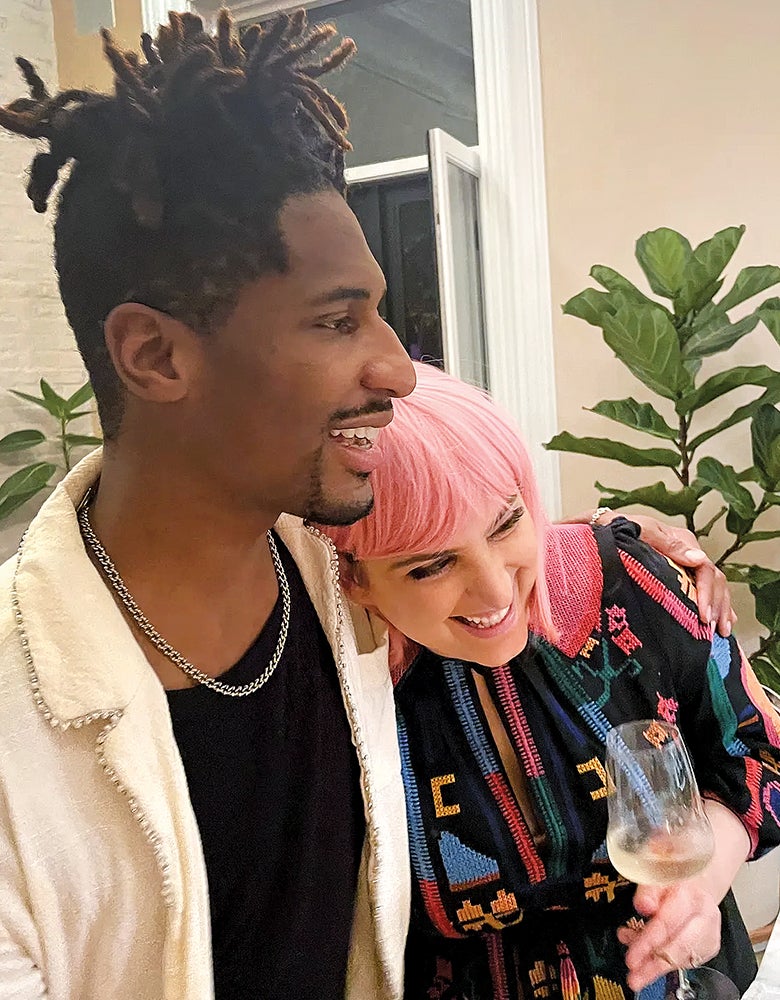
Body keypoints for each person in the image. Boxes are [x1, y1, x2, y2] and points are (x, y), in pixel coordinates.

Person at [0, 9, 736, 1000]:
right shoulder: (21, 733)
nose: (397, 364)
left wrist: (622, 539)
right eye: (336, 319)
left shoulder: (347, 592)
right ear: (157, 355)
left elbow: (469, 543)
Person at [321, 361, 780, 1000]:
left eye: (507, 523)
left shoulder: (629, 583)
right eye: (429, 565)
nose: (495, 588)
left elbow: (758, 751)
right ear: (354, 577)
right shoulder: (335, 691)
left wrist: (703, 884)